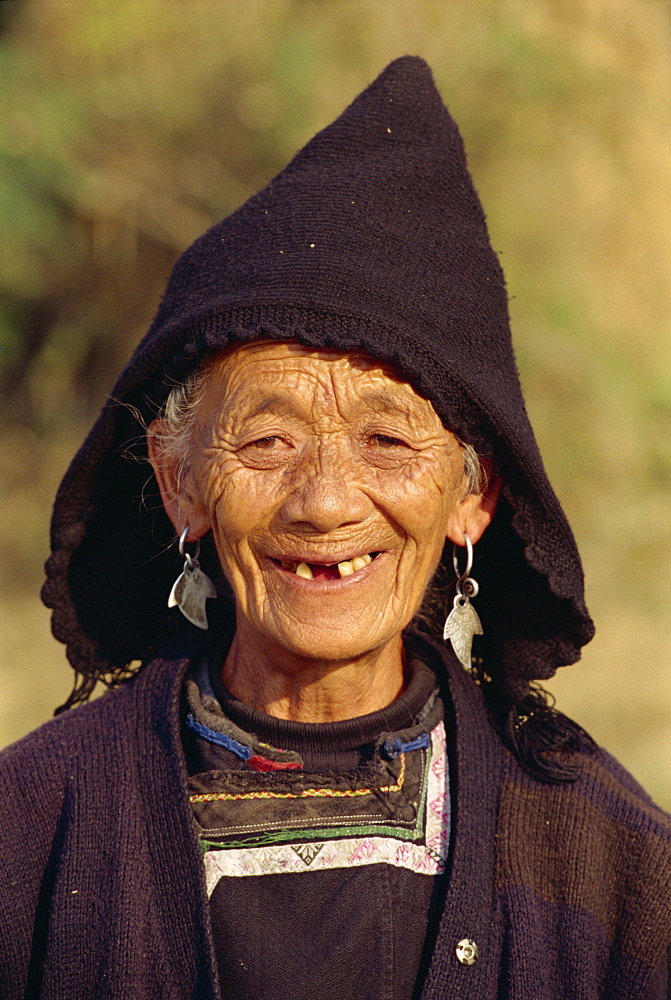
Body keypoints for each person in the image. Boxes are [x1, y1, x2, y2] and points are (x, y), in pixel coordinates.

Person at [0, 56, 669, 1000]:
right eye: (267, 439)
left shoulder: (602, 862)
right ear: (180, 480)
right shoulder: (30, 829)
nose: (324, 501)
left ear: (473, 497)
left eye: (388, 441)